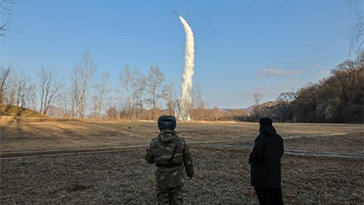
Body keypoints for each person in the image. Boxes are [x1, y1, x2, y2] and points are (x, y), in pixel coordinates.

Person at [145, 115, 194, 205]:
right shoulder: (181, 142)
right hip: (177, 178)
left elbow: (149, 160)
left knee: (162, 200)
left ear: (159, 126)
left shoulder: (154, 143)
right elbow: (188, 161)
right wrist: (190, 173)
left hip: (162, 178)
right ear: (173, 126)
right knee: (177, 200)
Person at [249, 117, 284, 205]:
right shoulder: (279, 138)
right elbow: (280, 152)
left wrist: (251, 158)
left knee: (265, 201)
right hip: (275, 176)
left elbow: (256, 155)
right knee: (277, 200)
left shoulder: (260, 139)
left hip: (261, 178)